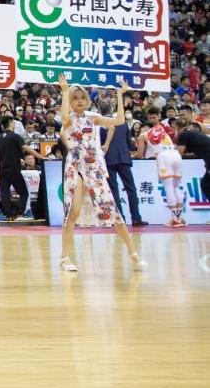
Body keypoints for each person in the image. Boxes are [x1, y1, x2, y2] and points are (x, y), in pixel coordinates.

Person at [56, 77, 145, 273]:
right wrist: (64, 91)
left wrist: (120, 95)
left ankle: (134, 254)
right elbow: (63, 118)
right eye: (75, 98)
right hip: (75, 167)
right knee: (72, 212)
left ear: (88, 100)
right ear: (69, 101)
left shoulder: (93, 117)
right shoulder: (68, 119)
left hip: (94, 167)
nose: (79, 101)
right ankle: (64, 258)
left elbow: (119, 121)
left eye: (82, 97)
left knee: (111, 209)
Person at [134, 109, 184, 226]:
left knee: (169, 188)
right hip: (175, 155)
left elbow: (140, 154)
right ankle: (179, 218)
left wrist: (131, 155)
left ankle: (174, 219)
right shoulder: (163, 130)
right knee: (176, 187)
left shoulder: (142, 135)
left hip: (164, 157)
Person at [101, 106, 145, 227]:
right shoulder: (123, 123)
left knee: (113, 190)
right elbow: (129, 144)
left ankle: (120, 219)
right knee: (131, 188)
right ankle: (136, 218)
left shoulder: (99, 125)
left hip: (108, 160)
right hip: (123, 158)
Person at [0, 117, 41, 222]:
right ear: (10, 123)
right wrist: (40, 156)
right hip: (13, 168)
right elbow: (26, 148)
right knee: (24, 193)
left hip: (2, 168)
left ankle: (9, 215)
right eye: (13, 123)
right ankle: (18, 212)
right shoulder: (15, 136)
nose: (15, 125)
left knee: (5, 193)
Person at [173, 118, 210, 204]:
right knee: (205, 184)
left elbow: (178, 154)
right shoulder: (194, 133)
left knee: (206, 185)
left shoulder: (183, 135)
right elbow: (195, 152)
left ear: (177, 128)